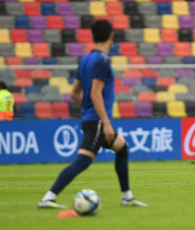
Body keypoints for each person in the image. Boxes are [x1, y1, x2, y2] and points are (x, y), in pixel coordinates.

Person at [38, 19, 147, 208]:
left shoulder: (86, 58)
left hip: (92, 118)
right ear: (111, 36)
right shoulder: (102, 61)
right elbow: (95, 93)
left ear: (92, 36)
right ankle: (49, 197)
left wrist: (88, 110)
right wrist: (105, 122)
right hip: (97, 122)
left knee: (122, 148)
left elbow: (74, 93)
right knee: (82, 161)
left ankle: (127, 197)